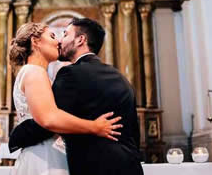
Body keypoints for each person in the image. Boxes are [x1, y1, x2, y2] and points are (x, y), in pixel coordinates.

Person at [10, 17, 144, 175]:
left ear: (81, 40)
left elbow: (47, 122)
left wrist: (15, 137)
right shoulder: (122, 79)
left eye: (64, 34)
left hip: (91, 166)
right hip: (130, 165)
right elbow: (134, 131)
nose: (59, 41)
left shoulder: (70, 74)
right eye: (54, 36)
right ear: (36, 42)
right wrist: (94, 126)